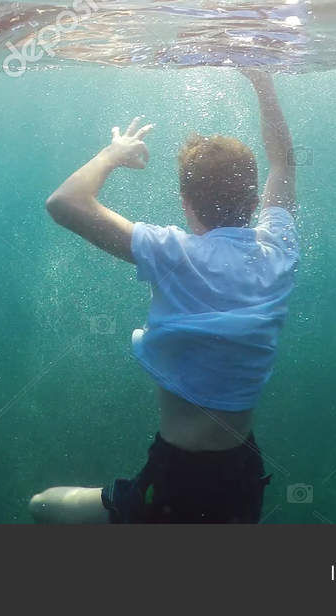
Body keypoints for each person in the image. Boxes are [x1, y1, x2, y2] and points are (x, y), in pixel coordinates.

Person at [30, 68, 300, 524]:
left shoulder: (173, 252)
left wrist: (112, 155)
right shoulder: (278, 250)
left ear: (185, 201)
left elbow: (63, 203)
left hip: (178, 478)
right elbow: (285, 164)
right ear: (254, 201)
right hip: (242, 469)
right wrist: (262, 81)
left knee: (41, 507)